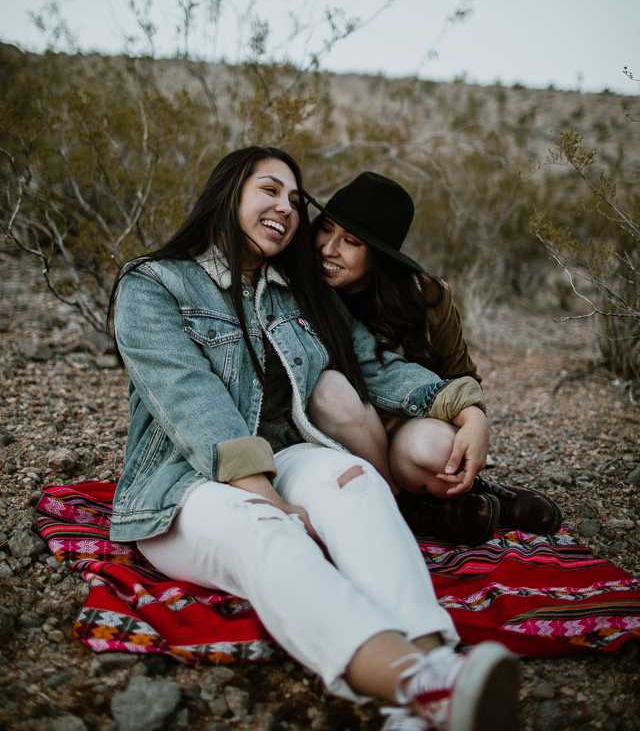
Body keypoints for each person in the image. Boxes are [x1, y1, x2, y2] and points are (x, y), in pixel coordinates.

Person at [107, 146, 520, 731]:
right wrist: (273, 499)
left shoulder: (297, 290)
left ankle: (438, 670)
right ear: (229, 193)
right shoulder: (153, 285)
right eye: (270, 190)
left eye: (295, 200)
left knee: (353, 482)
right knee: (266, 527)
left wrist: (467, 407)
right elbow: (193, 404)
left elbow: (376, 366)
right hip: (180, 484)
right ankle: (414, 683)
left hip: (284, 452)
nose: (286, 207)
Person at [307, 171, 562, 545]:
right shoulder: (301, 290)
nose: (328, 248)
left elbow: (462, 375)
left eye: (350, 241)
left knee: (434, 448)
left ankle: (460, 492)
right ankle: (422, 508)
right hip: (333, 435)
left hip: (405, 434)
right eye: (326, 229)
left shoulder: (426, 297)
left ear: (378, 254)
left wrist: (475, 418)